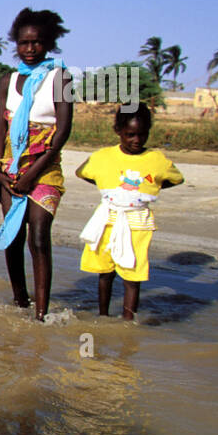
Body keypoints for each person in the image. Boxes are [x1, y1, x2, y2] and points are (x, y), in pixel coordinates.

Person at [0, 8, 73, 321]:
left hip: (44, 169)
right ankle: (20, 302)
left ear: (49, 43)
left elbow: (64, 129)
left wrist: (33, 172)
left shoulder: (62, 78)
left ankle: (41, 315)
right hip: (9, 170)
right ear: (15, 43)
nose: (30, 48)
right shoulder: (8, 80)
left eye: (37, 42)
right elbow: (1, 128)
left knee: (39, 237)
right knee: (13, 237)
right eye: (24, 42)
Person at [75, 104, 184, 320]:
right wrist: (107, 187)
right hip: (107, 219)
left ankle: (128, 320)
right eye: (130, 135)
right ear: (118, 131)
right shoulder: (103, 157)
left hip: (137, 222)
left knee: (132, 274)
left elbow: (176, 179)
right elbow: (83, 172)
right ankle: (103, 316)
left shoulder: (157, 160)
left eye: (142, 135)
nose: (136, 140)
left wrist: (150, 190)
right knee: (105, 272)